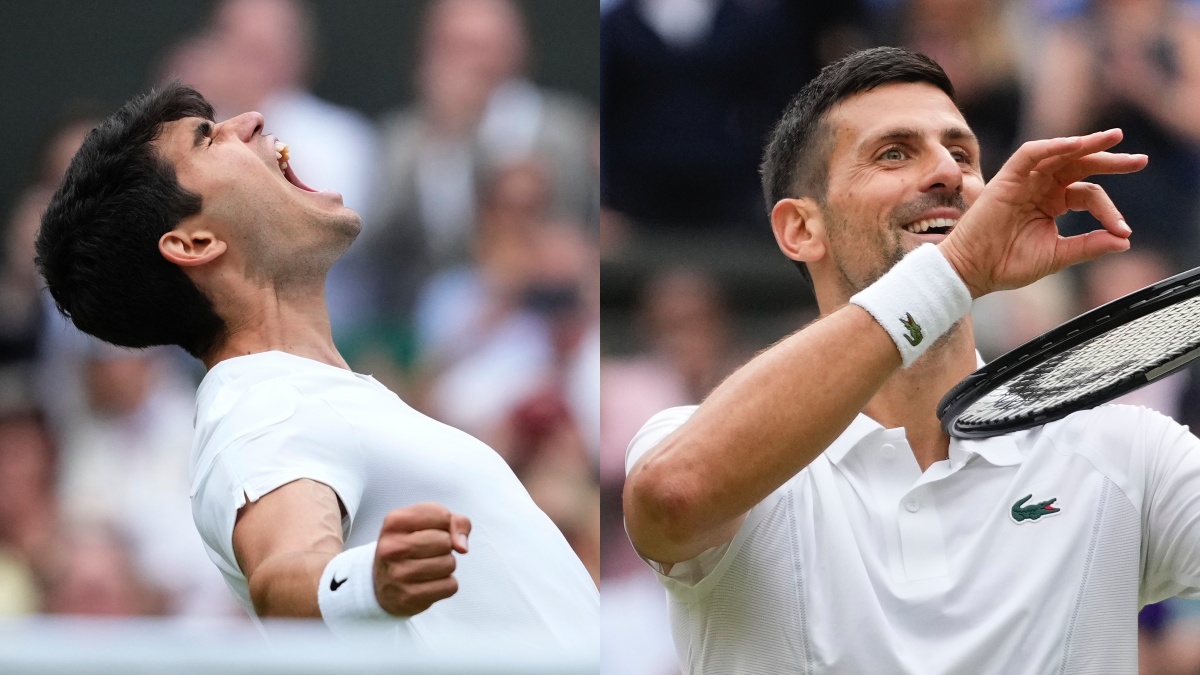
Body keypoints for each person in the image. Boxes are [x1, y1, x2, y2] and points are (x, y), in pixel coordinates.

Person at [622, 46, 1200, 673]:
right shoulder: (691, 440)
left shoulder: (1130, 455)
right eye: (894, 153)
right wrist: (950, 273)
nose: (947, 174)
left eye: (963, 154)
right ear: (800, 230)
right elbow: (675, 496)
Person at [34, 82, 597, 651]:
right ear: (195, 242)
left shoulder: (300, 395)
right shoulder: (260, 406)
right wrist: (365, 585)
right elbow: (283, 574)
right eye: (207, 139)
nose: (250, 119)